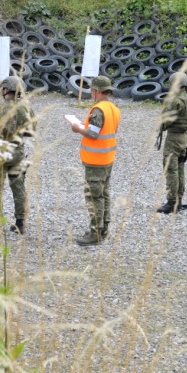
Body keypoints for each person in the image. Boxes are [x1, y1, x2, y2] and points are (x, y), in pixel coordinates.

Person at [0, 76, 37, 235]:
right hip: (17, 153)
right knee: (18, 188)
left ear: (5, 90)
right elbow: (32, 131)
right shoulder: (26, 109)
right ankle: (20, 224)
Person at [69, 76, 121, 246]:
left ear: (96, 91)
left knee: (94, 197)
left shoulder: (98, 110)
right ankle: (103, 228)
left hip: (95, 160)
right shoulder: (113, 108)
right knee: (104, 193)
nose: (91, 93)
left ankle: (95, 233)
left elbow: (93, 133)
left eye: (91, 90)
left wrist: (78, 129)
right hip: (107, 158)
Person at [156, 71, 187, 214]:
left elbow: (166, 120)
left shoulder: (176, 101)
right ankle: (178, 199)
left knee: (171, 170)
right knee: (180, 169)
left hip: (173, 138)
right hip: (183, 137)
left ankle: (172, 202)